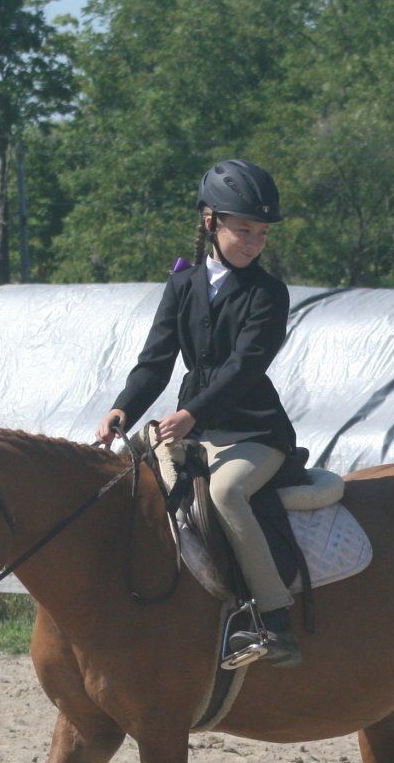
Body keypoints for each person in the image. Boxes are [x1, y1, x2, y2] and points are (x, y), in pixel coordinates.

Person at [98, 158, 301, 667]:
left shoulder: (268, 294)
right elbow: (156, 360)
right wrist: (123, 407)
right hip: (196, 426)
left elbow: (244, 368)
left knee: (227, 492)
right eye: (244, 230)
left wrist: (189, 413)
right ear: (211, 221)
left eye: (261, 234)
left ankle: (275, 621)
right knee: (128, 481)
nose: (254, 242)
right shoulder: (183, 285)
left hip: (254, 431)